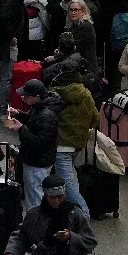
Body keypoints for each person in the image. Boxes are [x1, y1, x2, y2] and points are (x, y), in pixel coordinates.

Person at [4, 174, 97, 255]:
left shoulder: (74, 214)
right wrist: (11, 254)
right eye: (52, 197)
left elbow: (90, 241)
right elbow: (21, 236)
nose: (56, 201)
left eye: (60, 197)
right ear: (45, 195)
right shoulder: (35, 214)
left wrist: (70, 237)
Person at [48, 65, 98, 218]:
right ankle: (69, 213)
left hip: (61, 144)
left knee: (67, 184)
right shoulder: (87, 95)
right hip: (77, 144)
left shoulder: (56, 95)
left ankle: (84, 215)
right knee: (71, 179)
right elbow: (95, 119)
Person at [7, 79, 60, 211]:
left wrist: (21, 129)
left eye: (26, 96)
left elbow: (37, 142)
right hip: (36, 161)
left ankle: (37, 227)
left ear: (36, 97)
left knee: (36, 200)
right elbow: (34, 123)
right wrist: (20, 115)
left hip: (37, 164)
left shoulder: (47, 115)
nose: (23, 98)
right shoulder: (40, 108)